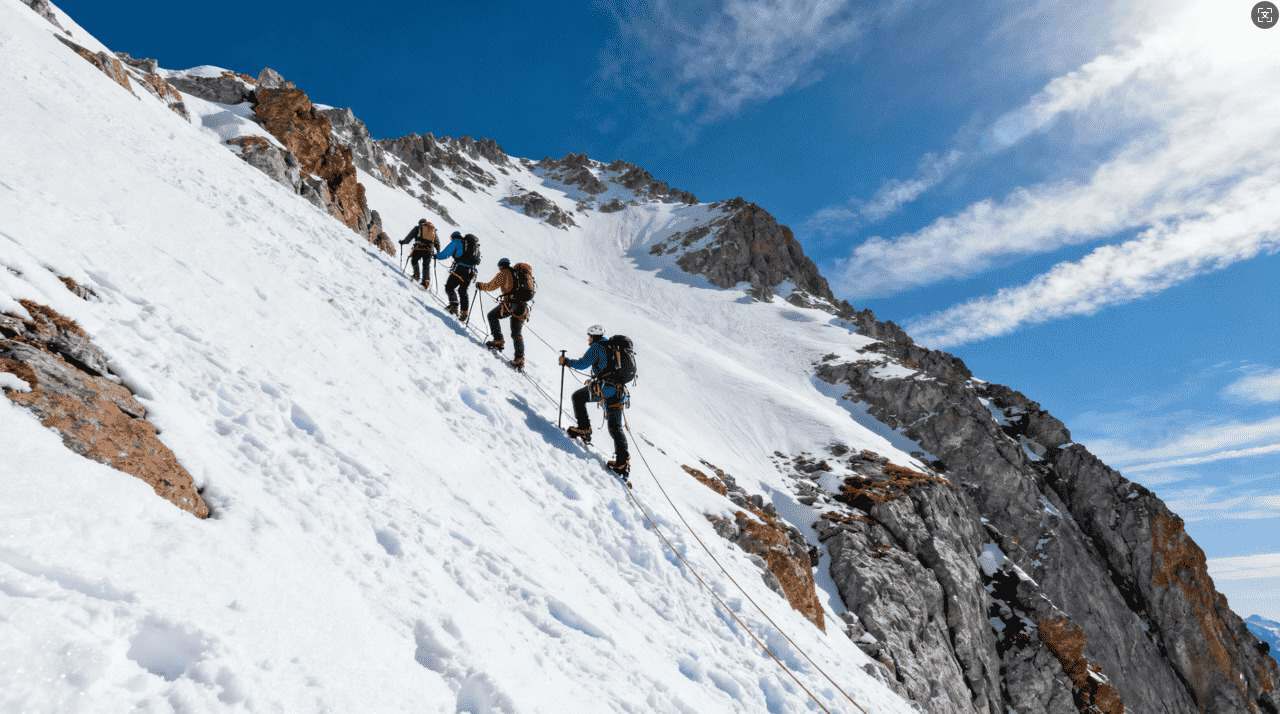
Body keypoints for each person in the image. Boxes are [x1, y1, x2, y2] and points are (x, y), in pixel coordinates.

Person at [560, 324, 629, 477]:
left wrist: (566, 361)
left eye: (589, 336)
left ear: (594, 336)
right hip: (618, 391)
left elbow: (583, 364)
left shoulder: (597, 347)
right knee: (616, 427)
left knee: (578, 397)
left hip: (605, 388)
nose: (588, 339)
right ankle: (622, 463)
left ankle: (584, 428)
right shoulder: (612, 346)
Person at [477, 258, 532, 369]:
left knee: (492, 315)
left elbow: (491, 286)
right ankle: (519, 359)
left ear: (501, 266)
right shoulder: (517, 274)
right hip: (523, 307)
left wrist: (480, 286)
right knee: (516, 333)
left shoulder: (504, 273)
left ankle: (498, 340)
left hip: (511, 304)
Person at [436, 231, 480, 320]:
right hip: (470, 272)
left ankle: (454, 306)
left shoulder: (456, 242)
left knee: (449, 287)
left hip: (460, 269)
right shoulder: (473, 246)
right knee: (462, 291)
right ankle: (464, 313)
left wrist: (436, 256)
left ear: (453, 237)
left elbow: (446, 253)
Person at [399, 219, 439, 289]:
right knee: (426, 265)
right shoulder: (432, 229)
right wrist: (438, 251)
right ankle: (426, 281)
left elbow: (409, 237)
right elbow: (437, 242)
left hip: (419, 248)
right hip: (429, 250)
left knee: (414, 261)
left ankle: (416, 275)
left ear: (420, 223)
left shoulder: (417, 228)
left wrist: (403, 242)